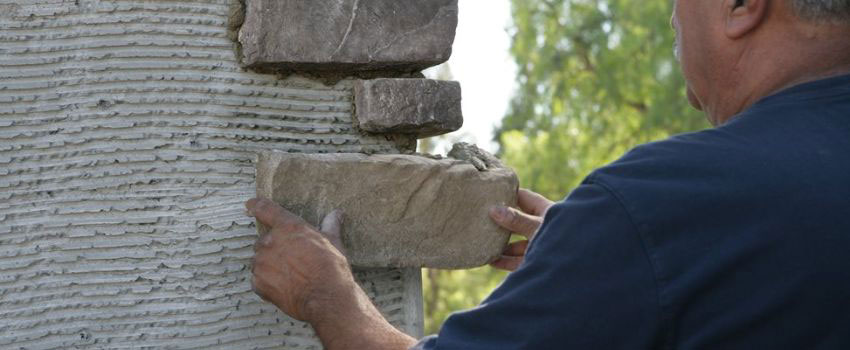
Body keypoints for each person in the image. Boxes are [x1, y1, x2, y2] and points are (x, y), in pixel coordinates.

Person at [245, 0, 850, 348]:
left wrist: (327, 297)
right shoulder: (667, 221)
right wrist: (611, 261)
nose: (672, 15)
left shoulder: (666, 205)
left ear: (743, 5)